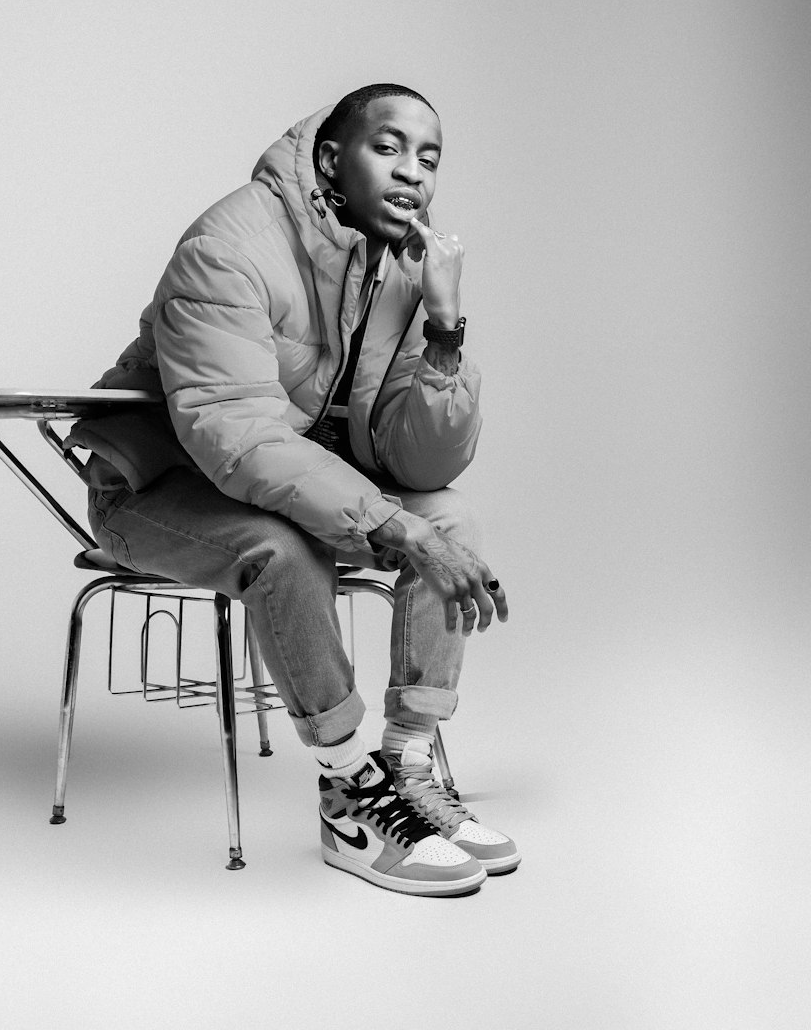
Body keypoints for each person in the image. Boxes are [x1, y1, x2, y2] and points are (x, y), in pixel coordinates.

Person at [69, 84, 518, 896]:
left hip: (283, 490)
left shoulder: (398, 271)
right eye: (387, 147)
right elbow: (236, 438)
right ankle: (350, 792)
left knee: (449, 517)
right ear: (328, 158)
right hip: (153, 492)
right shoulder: (229, 243)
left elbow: (421, 470)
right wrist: (394, 528)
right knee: (285, 551)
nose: (412, 172)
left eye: (429, 157)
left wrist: (447, 329)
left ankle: (408, 769)